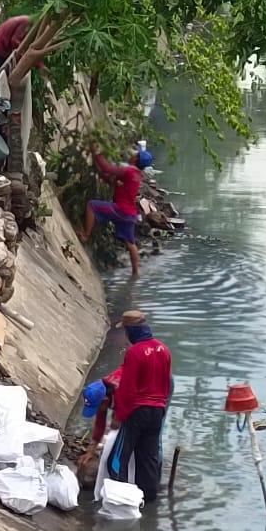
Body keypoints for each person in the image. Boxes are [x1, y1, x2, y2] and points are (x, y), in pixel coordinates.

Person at [109, 309, 172, 502]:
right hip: (158, 411)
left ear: (132, 331)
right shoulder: (164, 349)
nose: (126, 336)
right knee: (148, 460)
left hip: (137, 411)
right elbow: (167, 384)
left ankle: (119, 501)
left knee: (117, 460)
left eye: (126, 331)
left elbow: (127, 389)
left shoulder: (134, 353)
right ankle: (148, 503)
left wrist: (119, 416)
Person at [77, 148, 153, 275]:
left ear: (136, 159)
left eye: (135, 154)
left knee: (92, 206)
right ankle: (136, 273)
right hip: (130, 214)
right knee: (130, 243)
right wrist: (103, 175)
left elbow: (107, 168)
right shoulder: (137, 175)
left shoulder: (128, 170)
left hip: (121, 209)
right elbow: (114, 180)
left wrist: (96, 152)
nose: (132, 154)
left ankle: (85, 235)